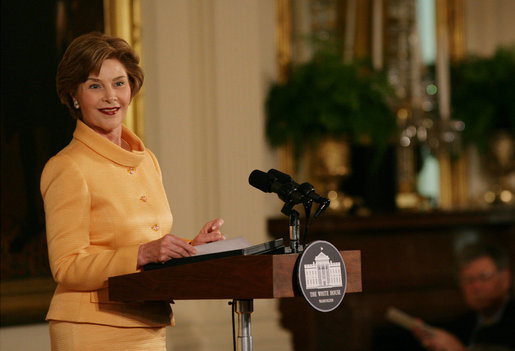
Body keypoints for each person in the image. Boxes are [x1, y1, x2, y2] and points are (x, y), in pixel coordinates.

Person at [40, 32, 226, 350]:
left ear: (132, 87)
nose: (110, 97)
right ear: (74, 95)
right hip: (91, 327)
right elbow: (66, 266)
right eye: (94, 85)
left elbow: (141, 243)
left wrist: (192, 247)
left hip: (148, 321)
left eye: (119, 83)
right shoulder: (67, 167)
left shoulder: (146, 160)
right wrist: (142, 254)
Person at [412, 243, 514, 351]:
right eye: (468, 280)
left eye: (484, 277)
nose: (476, 287)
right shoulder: (462, 325)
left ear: (505, 279)